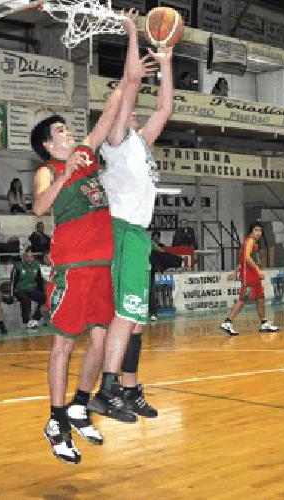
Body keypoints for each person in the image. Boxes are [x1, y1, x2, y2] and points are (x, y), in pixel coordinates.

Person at [28, 9, 146, 464]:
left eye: (66, 128)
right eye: (60, 132)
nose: (68, 132)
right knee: (64, 344)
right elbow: (40, 208)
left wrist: (131, 40)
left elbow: (117, 100)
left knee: (99, 343)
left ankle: (79, 404)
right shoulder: (48, 169)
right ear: (48, 145)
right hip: (73, 267)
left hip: (102, 266)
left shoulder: (84, 152)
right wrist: (66, 174)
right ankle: (55, 419)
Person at [93, 38, 173, 421]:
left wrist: (167, 61)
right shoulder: (115, 143)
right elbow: (127, 88)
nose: (134, 113)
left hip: (140, 235)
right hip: (122, 231)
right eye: (127, 111)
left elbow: (166, 107)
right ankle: (106, 390)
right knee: (125, 314)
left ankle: (129, 388)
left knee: (137, 321)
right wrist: (131, 36)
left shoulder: (140, 144)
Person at [220, 222, 280, 335]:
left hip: (253, 275)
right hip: (249, 275)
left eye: (260, 230)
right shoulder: (250, 241)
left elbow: (242, 260)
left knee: (261, 298)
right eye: (256, 230)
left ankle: (264, 323)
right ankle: (227, 322)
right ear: (251, 231)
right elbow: (247, 258)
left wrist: (234, 272)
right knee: (243, 299)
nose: (258, 233)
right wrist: (258, 270)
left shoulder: (252, 243)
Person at [11, 248, 46, 329]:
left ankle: (35, 319)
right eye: (27, 257)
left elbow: (40, 281)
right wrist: (12, 295)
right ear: (24, 257)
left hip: (32, 290)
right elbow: (12, 282)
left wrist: (41, 292)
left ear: (33, 257)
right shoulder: (18, 266)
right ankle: (26, 321)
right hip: (20, 290)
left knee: (44, 298)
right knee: (25, 299)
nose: (29, 258)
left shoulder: (37, 265)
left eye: (31, 257)